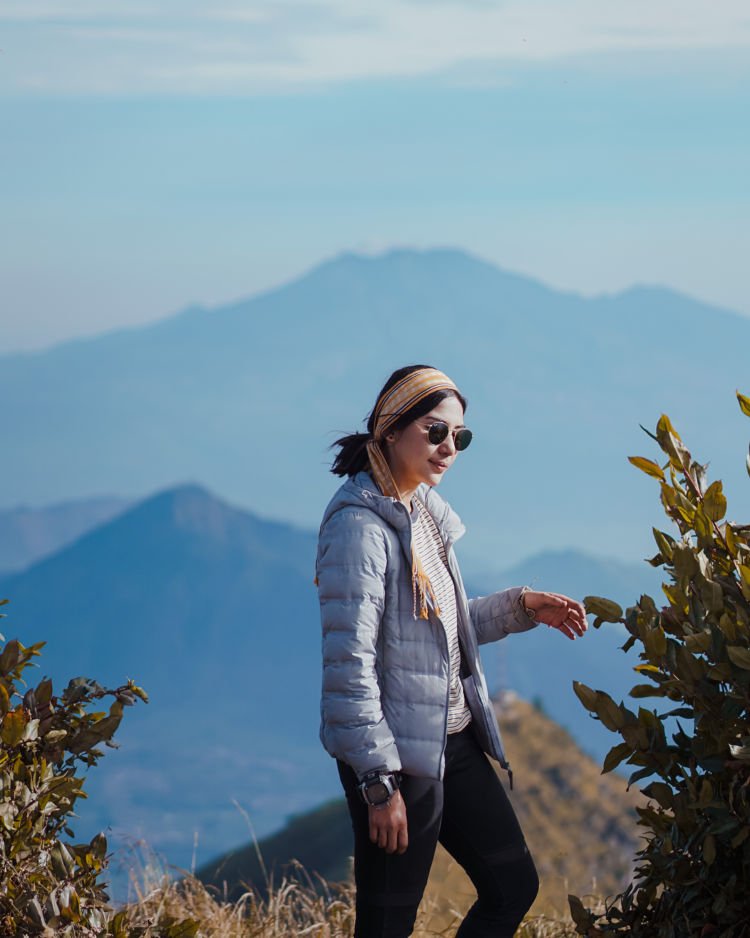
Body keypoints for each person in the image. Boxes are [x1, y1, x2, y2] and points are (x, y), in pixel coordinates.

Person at [315, 364, 587, 938]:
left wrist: (520, 607)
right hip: (397, 760)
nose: (449, 448)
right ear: (391, 429)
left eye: (459, 437)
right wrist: (377, 782)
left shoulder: (423, 513)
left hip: (452, 738)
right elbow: (349, 668)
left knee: (512, 886)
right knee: (387, 927)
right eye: (436, 432)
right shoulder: (359, 530)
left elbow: (439, 631)